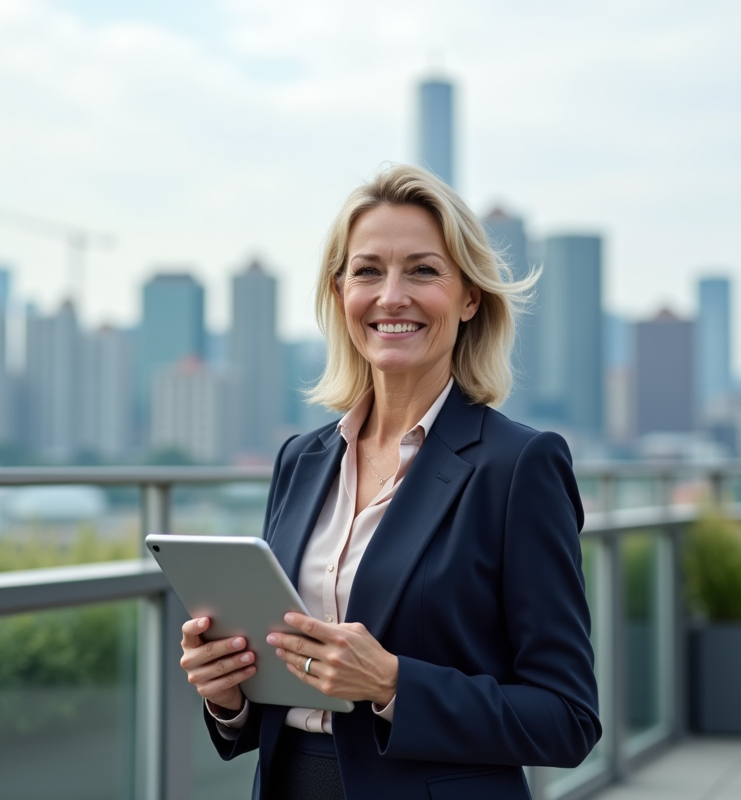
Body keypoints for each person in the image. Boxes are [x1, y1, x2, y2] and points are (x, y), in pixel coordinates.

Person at [178, 164, 600, 799]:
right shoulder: (302, 460)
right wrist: (230, 693)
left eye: (423, 270)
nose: (391, 296)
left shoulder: (520, 466)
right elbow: (280, 699)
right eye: (368, 271)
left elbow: (567, 719)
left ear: (468, 297)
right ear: (340, 291)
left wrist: (394, 684)